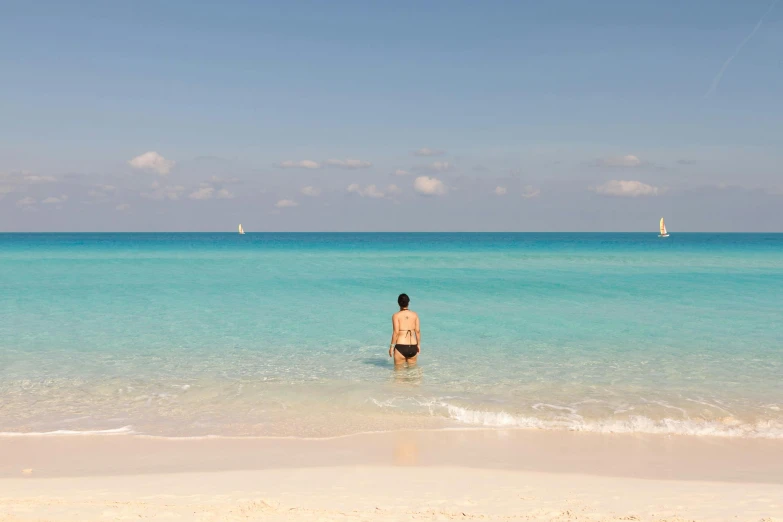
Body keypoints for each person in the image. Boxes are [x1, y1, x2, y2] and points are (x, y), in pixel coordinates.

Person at [389, 293, 420, 365]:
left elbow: (396, 332)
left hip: (401, 346)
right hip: (413, 346)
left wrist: (391, 347)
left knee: (399, 374)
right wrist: (418, 345)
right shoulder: (415, 315)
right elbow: (417, 331)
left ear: (398, 303)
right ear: (408, 302)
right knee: (412, 373)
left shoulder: (396, 316)